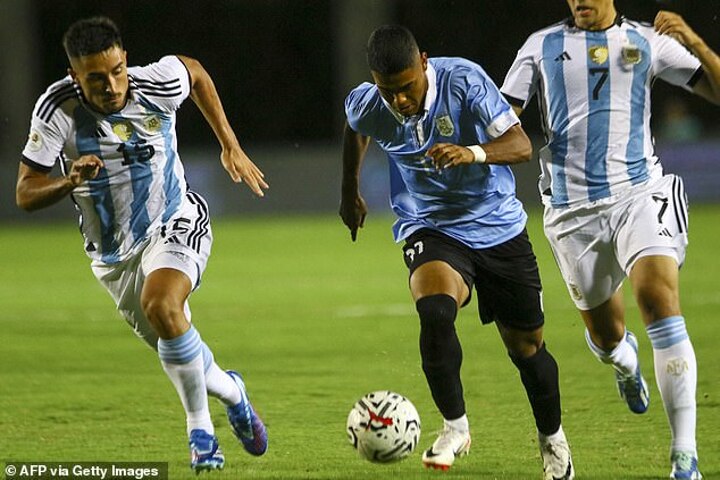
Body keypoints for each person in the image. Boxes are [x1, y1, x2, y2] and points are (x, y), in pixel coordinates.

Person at [16, 16, 270, 472]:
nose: (112, 85)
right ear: (75, 77)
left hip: (175, 219)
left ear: (125, 60)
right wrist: (67, 181)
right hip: (113, 258)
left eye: (117, 71)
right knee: (177, 337)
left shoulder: (155, 83)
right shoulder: (57, 108)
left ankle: (200, 433)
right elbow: (25, 192)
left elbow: (195, 72)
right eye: (96, 78)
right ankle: (234, 392)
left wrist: (229, 144)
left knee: (162, 304)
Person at [340, 25, 574, 479]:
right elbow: (355, 129)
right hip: (431, 226)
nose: (399, 100)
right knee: (434, 310)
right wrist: (349, 192)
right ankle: (455, 426)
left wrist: (472, 153)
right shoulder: (369, 103)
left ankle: (553, 441)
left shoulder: (463, 81)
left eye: (407, 87)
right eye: (388, 91)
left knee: (527, 350)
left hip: (498, 226)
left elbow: (521, 145)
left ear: (424, 63)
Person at [501, 2, 720, 478]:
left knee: (658, 300)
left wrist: (695, 41)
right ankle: (624, 362)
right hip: (572, 213)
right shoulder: (540, 47)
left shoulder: (647, 41)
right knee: (606, 337)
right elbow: (503, 120)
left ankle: (685, 457)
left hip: (639, 193)